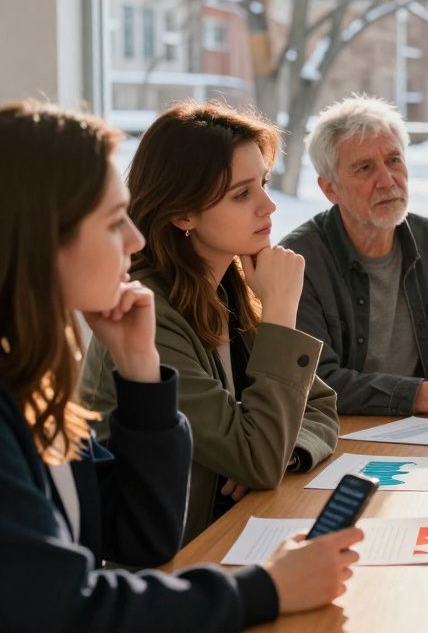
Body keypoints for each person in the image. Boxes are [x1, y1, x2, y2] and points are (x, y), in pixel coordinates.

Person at [0, 101, 361, 632]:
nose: (134, 239)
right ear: (40, 239)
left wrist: (142, 373)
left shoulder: (35, 389)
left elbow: (142, 535)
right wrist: (269, 588)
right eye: (110, 221)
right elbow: (66, 607)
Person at [81, 101, 339, 544]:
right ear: (183, 214)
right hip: (173, 558)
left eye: (263, 183)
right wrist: (280, 312)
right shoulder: (148, 312)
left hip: (226, 532)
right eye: (242, 194)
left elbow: (319, 409)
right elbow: (256, 458)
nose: (269, 205)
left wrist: (285, 451)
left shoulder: (229, 286)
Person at [282, 96, 428, 416]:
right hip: (341, 436)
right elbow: (311, 381)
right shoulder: (300, 261)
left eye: (394, 160)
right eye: (365, 168)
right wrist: (417, 396)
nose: (388, 181)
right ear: (330, 189)